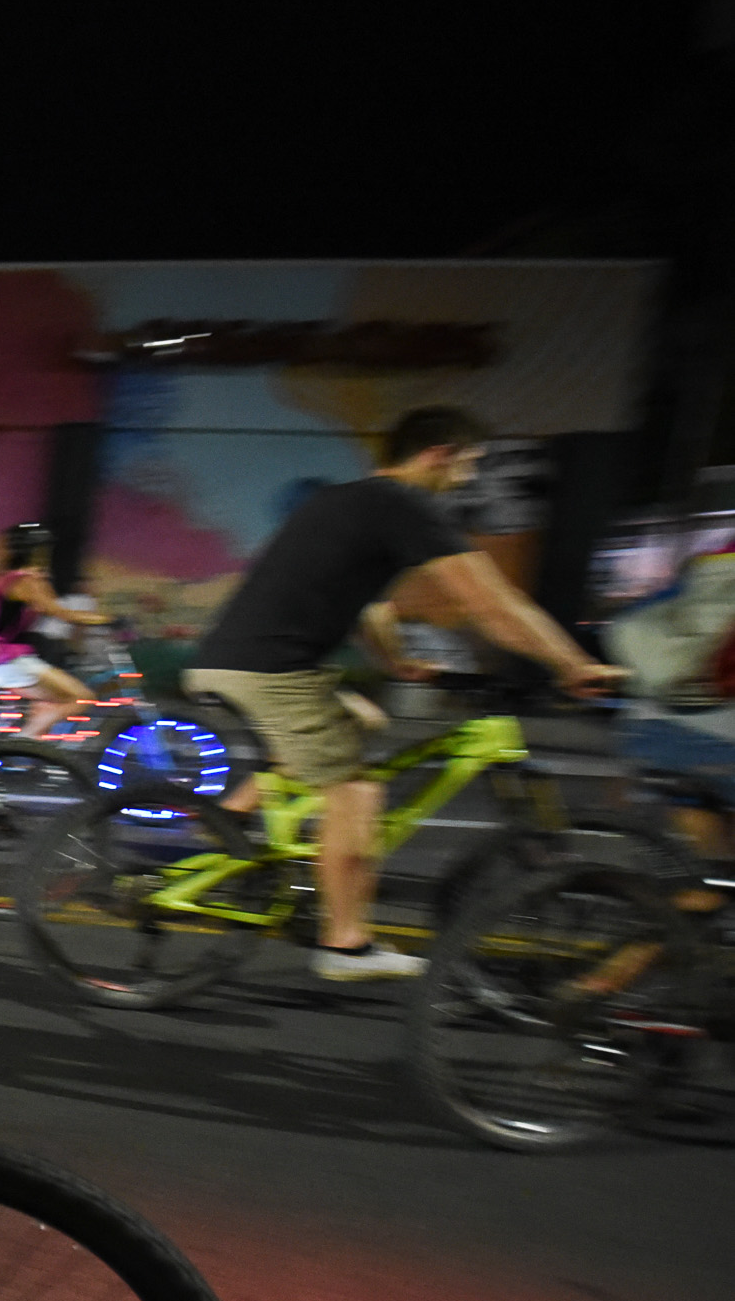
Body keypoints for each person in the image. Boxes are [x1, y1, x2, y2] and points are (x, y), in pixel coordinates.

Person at [185, 405, 623, 981]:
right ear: (437, 453)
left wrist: (397, 662)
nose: (465, 479)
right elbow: (489, 603)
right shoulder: (405, 504)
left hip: (246, 663)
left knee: (362, 721)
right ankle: (344, 946)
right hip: (270, 672)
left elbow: (364, 602)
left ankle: (229, 817)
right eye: (468, 464)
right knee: (357, 793)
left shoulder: (348, 500)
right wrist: (571, 664)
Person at [0, 520, 98, 738]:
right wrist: (104, 619)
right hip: (3, 659)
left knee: (53, 698)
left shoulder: (3, 577)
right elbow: (59, 612)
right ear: (39, 550)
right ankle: (22, 744)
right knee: (81, 696)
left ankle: (28, 745)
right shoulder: (27, 581)